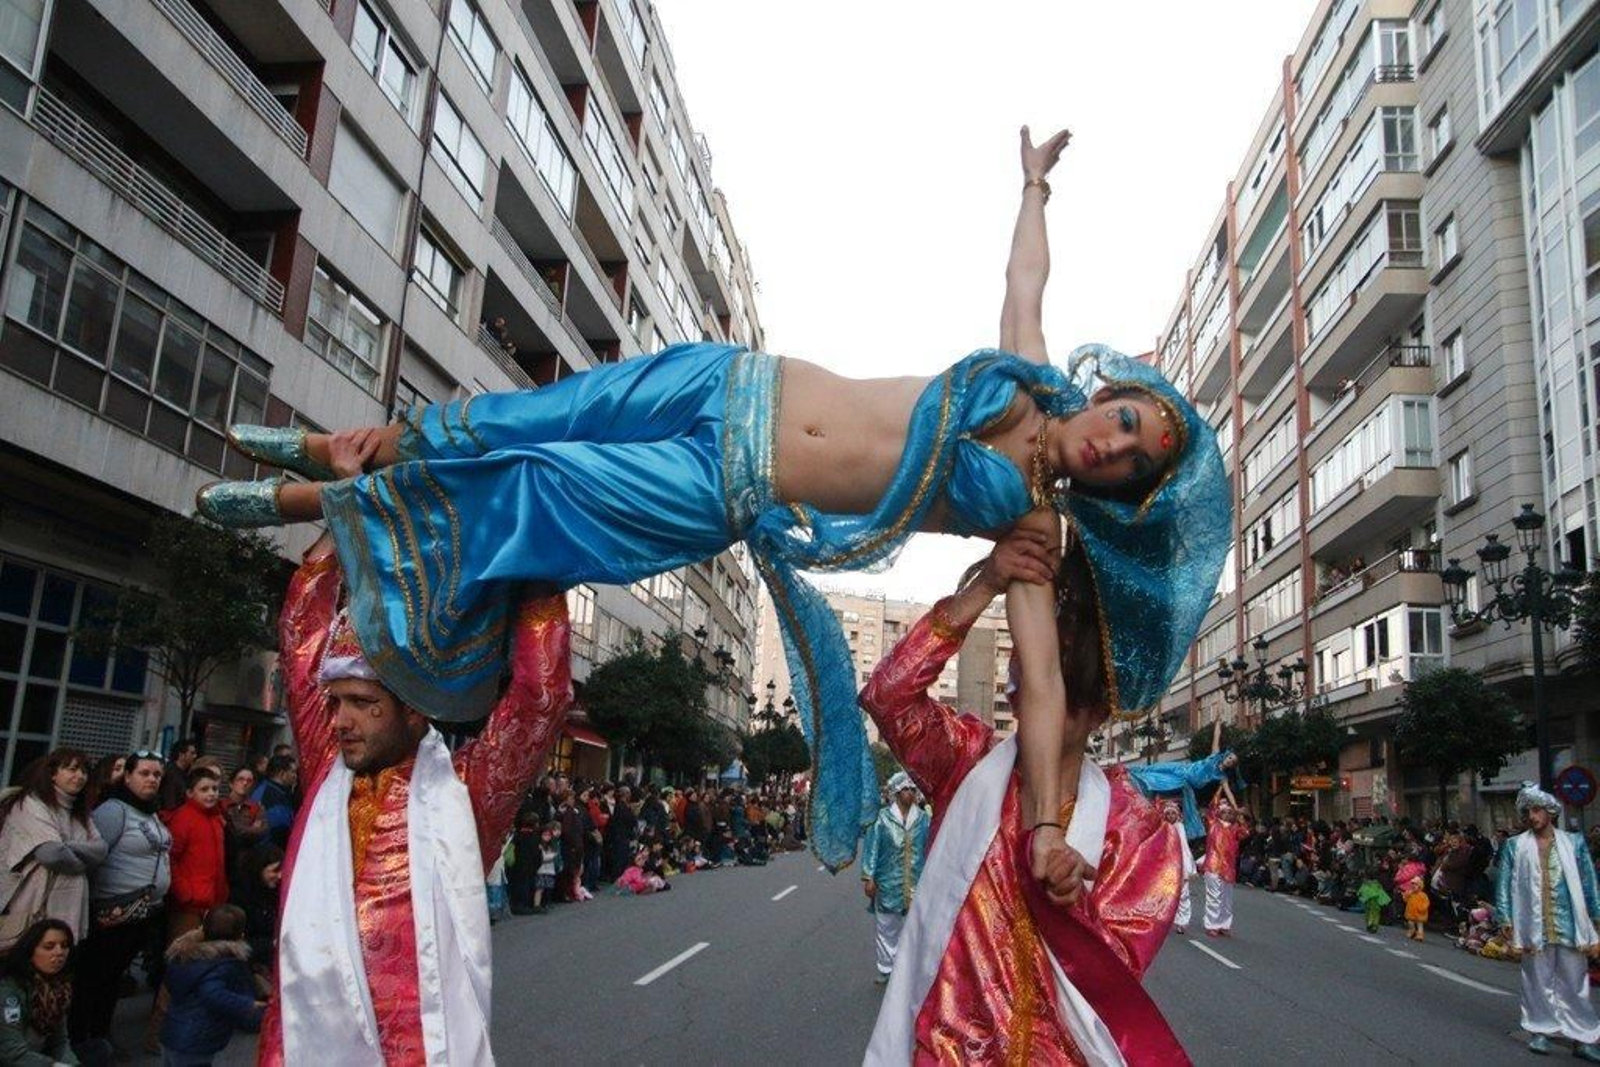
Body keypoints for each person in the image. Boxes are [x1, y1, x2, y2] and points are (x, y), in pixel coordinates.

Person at [197, 128, 1230, 873]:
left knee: (534, 486)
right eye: (1126, 418)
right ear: (1110, 394)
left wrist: (1046, 824)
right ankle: (335, 450)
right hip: (730, 380)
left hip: (723, 484)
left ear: (1123, 491)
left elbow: (1041, 684)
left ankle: (301, 497)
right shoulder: (1027, 375)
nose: (1112, 443)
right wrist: (1035, 187)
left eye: (1130, 460)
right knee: (530, 415)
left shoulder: (1031, 526)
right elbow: (1024, 279)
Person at [257, 439, 575, 1066]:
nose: (339, 720)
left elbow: (539, 700)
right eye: (336, 702)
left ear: (414, 708)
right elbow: (301, 636)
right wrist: (346, 503)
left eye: (361, 704)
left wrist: (530, 552)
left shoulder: (469, 796)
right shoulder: (328, 773)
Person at [860, 529, 1200, 1064]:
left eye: (1064, 691)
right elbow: (888, 696)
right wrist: (986, 584)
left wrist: (1070, 903)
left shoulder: (1139, 831)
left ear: (1100, 709)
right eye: (1035, 679)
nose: (1043, 700)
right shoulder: (964, 762)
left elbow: (1114, 979)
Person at [69, 751, 171, 1046]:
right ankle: (83, 1039)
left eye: (157, 774)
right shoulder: (113, 811)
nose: (152, 779)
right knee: (95, 978)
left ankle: (100, 1036)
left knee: (112, 978)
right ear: (127, 776)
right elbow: (94, 856)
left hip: (142, 913)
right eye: (144, 773)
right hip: (112, 912)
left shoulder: (150, 811)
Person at [1496, 783, 1600, 1059]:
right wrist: (1504, 917)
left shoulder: (1574, 843)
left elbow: (1589, 882)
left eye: (1537, 810)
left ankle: (1583, 1037)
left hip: (1570, 924)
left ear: (1550, 811)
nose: (1532, 816)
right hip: (1532, 924)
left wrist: (1597, 916)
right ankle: (1540, 1030)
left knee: (1575, 983)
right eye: (1528, 811)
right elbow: (1504, 884)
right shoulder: (1515, 846)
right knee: (1537, 980)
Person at [0, 748, 105, 948]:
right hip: (34, 903)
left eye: (84, 771)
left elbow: (100, 850)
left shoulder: (79, 812)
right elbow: (51, 854)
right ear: (53, 774)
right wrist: (82, 865)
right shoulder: (31, 804)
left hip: (69, 905)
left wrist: (67, 845)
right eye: (72, 769)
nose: (80, 776)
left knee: (60, 956)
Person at [158, 904, 262, 1066]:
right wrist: (249, 1004)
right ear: (241, 935)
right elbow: (213, 995)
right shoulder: (223, 965)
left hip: (173, 1033)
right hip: (196, 1041)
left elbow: (170, 984)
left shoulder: (182, 956)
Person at [860, 772, 929, 985]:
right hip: (888, 883)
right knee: (886, 927)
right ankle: (886, 968)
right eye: (905, 789)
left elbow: (930, 847)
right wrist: (869, 877)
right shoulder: (882, 819)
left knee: (915, 928)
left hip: (917, 881)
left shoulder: (923, 819)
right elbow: (872, 848)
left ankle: (910, 970)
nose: (910, 793)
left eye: (912, 789)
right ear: (897, 793)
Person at [0, 919, 82, 1066]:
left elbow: (60, 1042)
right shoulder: (9, 991)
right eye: (49, 947)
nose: (59, 952)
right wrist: (54, 1065)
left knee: (100, 1048)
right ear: (30, 951)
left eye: (64, 946)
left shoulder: (58, 989)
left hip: (38, 1058)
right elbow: (11, 1053)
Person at [1203, 789, 1248, 937]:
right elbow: (1212, 807)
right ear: (1219, 813)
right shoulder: (1213, 823)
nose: (1227, 814)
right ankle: (1212, 924)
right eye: (1224, 812)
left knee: (1226, 899)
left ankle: (1224, 924)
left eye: (1230, 812)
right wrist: (1222, 787)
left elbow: (1245, 833)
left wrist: (1240, 817)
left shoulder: (1235, 829)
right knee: (1214, 897)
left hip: (1229, 867)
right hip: (1213, 865)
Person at [218, 768, 266, 880]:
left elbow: (262, 831)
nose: (245, 783)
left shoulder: (257, 807)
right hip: (223, 859)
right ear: (231, 783)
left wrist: (231, 828)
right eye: (241, 779)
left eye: (249, 781)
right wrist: (251, 829)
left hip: (247, 862)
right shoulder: (220, 805)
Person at [1159, 799, 1197, 936]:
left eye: (1173, 814)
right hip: (1167, 867)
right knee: (1167, 894)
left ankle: (1182, 922)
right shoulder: (1163, 828)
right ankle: (1167, 919)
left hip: (1181, 866)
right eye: (1168, 814)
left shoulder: (1180, 828)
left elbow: (1185, 848)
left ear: (1177, 815)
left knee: (1184, 894)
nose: (1171, 816)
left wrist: (1190, 868)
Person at [248, 758, 297, 850]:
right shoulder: (269, 794)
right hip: (267, 852)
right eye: (293, 772)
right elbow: (278, 828)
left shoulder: (279, 792)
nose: (295, 776)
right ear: (282, 773)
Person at [158, 742, 198, 812]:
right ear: (181, 755)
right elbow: (169, 803)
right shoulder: (171, 773)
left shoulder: (186, 773)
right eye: (192, 753)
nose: (195, 756)